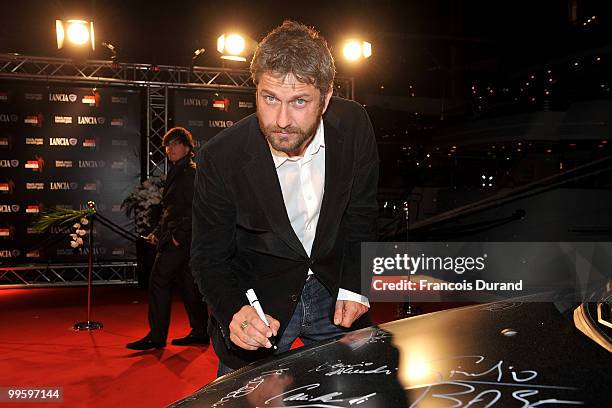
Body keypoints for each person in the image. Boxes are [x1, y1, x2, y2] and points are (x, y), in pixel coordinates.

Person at [191, 21, 378, 374]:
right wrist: (233, 311)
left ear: (326, 98)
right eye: (270, 98)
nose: (281, 120)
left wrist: (356, 283)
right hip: (260, 302)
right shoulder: (221, 157)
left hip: (332, 292)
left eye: (299, 101)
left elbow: (361, 212)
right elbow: (208, 256)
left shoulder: (354, 124)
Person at [127, 127, 209, 350]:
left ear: (187, 147)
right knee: (190, 287)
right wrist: (157, 230)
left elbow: (196, 209)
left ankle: (156, 336)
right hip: (179, 238)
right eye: (166, 145)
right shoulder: (179, 170)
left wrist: (177, 238)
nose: (168, 149)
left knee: (158, 283)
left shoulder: (190, 172)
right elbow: (173, 209)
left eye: (173, 144)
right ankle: (201, 332)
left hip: (180, 241)